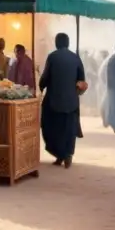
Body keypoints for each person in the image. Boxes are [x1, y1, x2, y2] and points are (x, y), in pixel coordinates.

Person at [40, 33, 87, 167]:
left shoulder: (52, 57)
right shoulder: (76, 58)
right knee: (69, 130)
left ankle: (60, 154)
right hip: (71, 102)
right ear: (67, 43)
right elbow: (81, 79)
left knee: (51, 128)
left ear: (57, 43)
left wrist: (40, 86)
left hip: (54, 102)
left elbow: (45, 78)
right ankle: (67, 155)